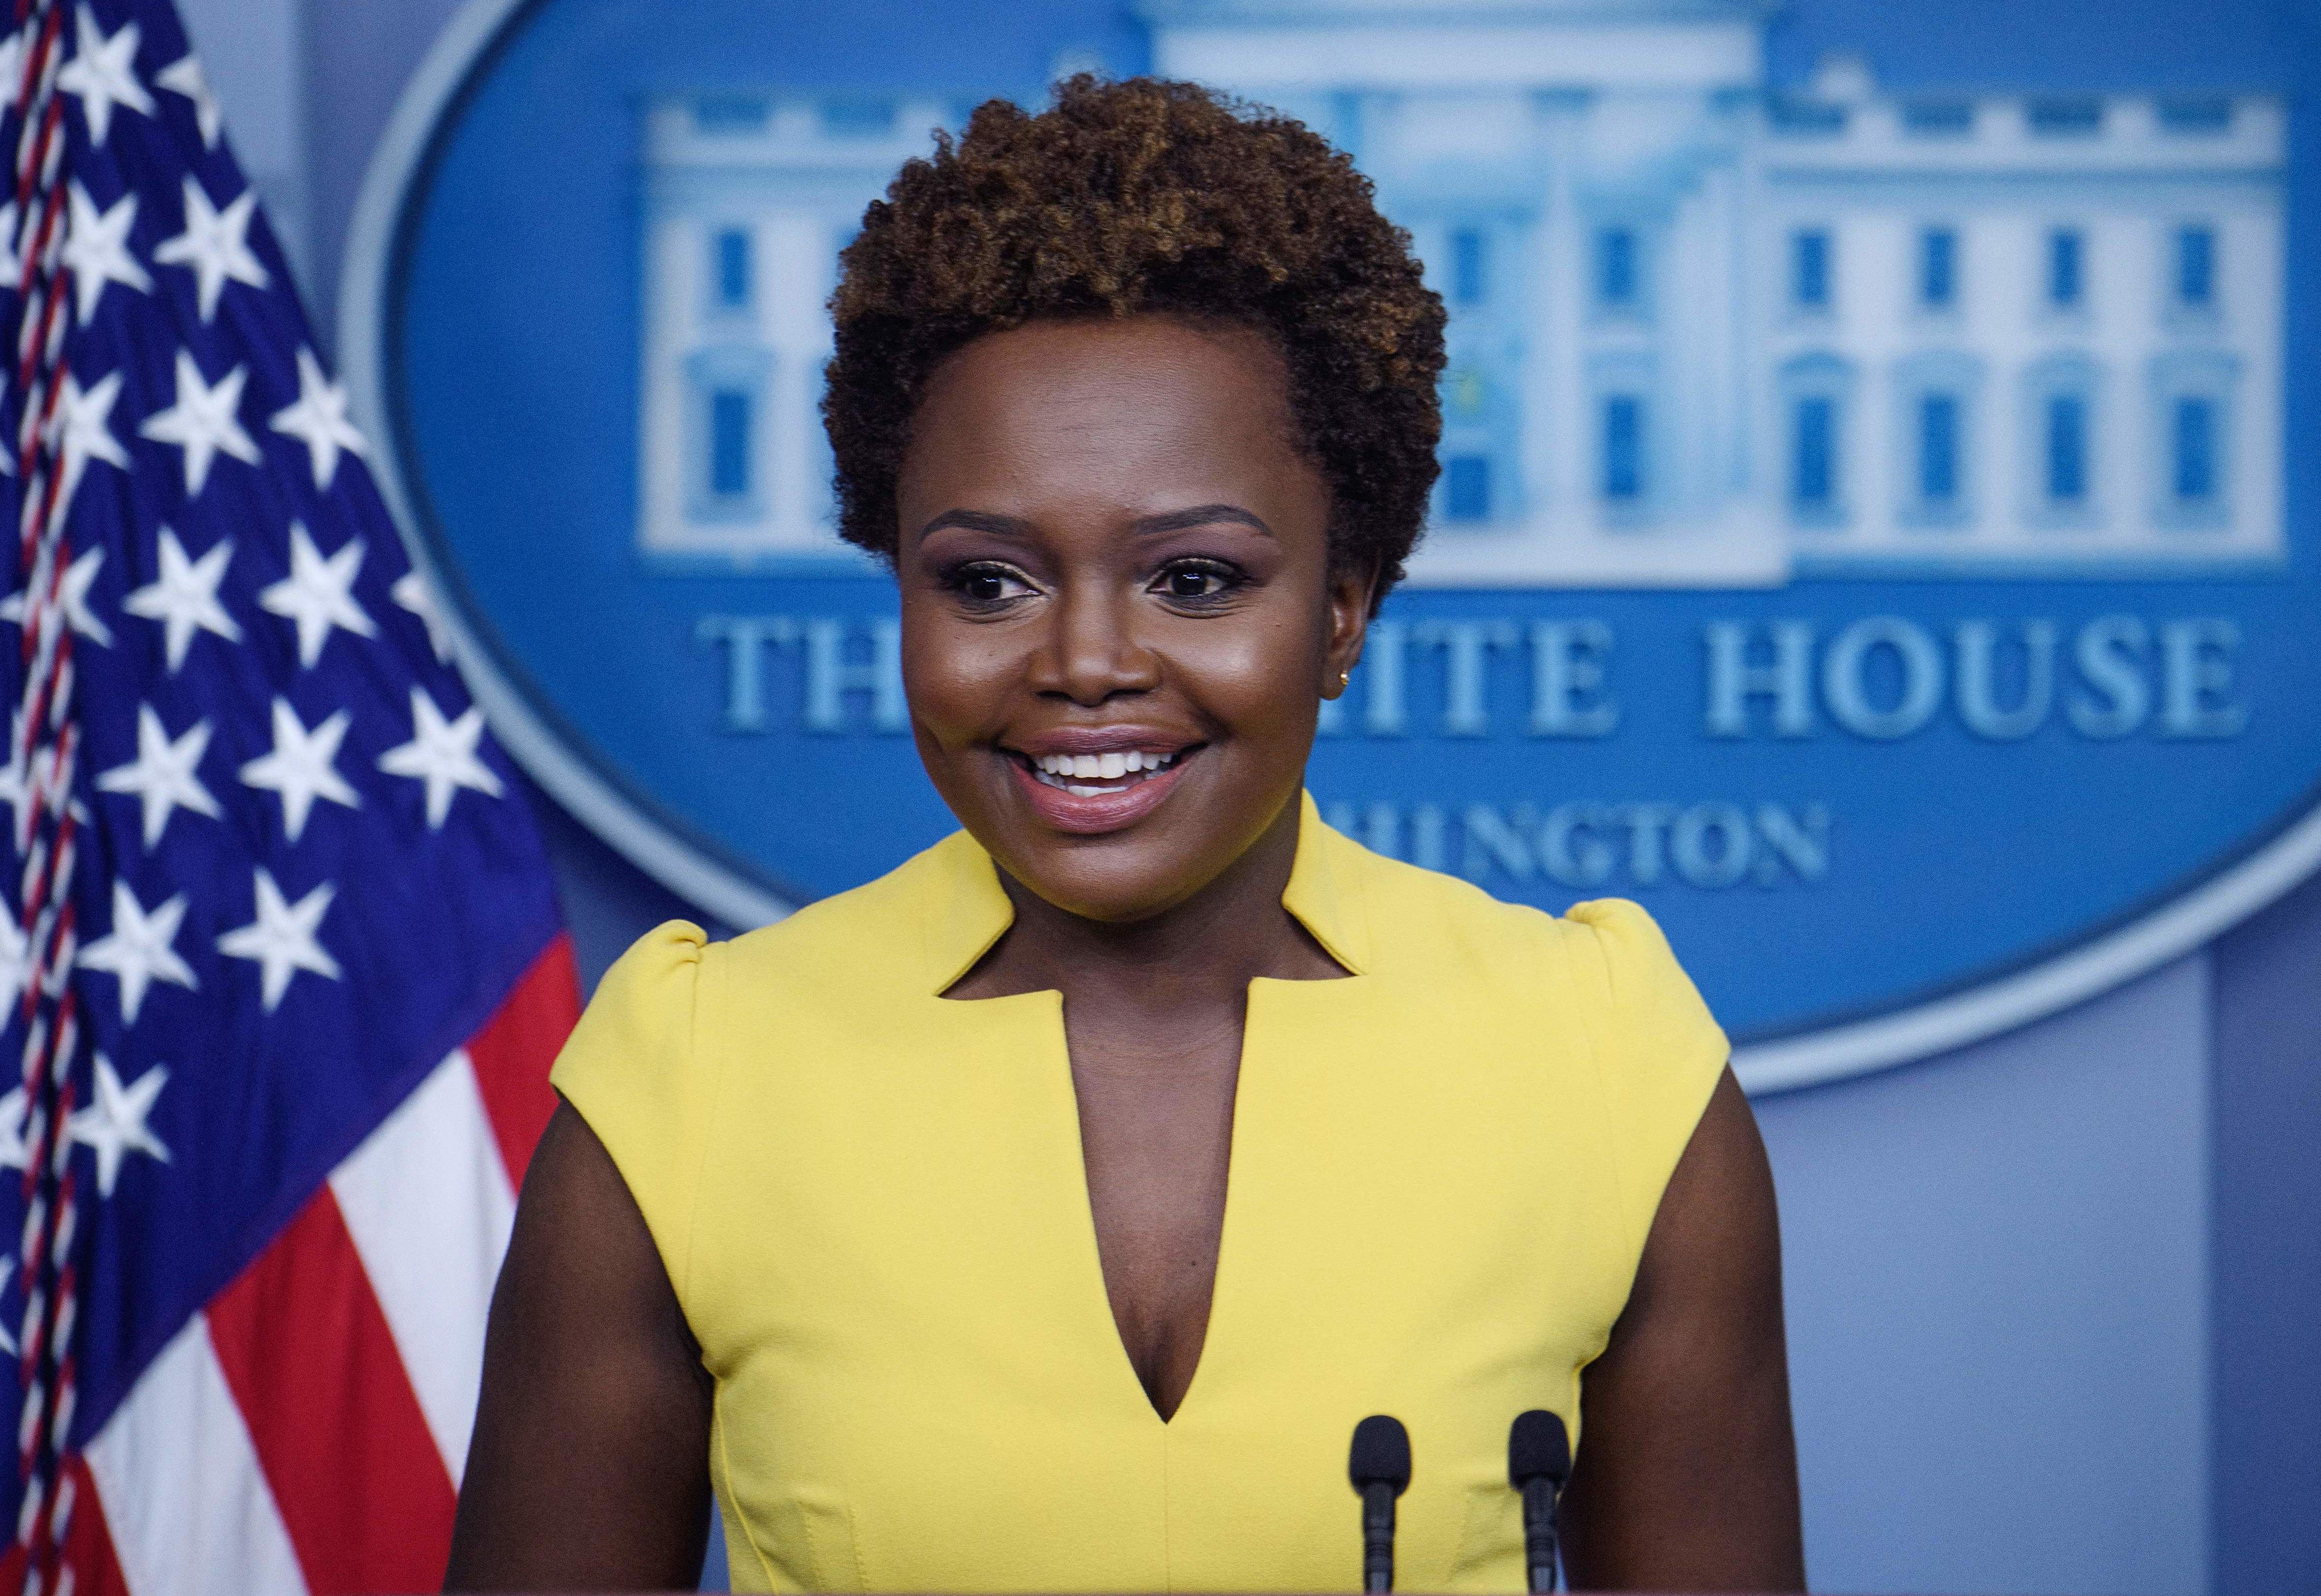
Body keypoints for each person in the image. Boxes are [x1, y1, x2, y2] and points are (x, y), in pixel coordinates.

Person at [445, 76, 1804, 1593]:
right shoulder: (690, 1079)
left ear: (1343, 610)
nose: (1086, 661)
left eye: (1196, 580)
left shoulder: (1606, 1060)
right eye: (988, 583)